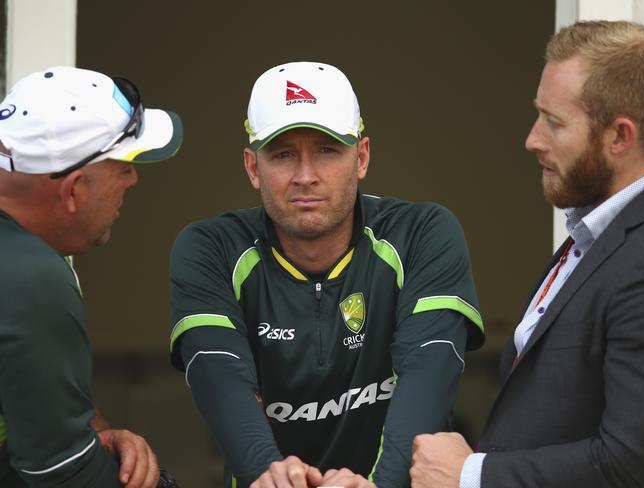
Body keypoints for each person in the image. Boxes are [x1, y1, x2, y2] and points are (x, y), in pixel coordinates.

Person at [169, 61, 484, 488]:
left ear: (363, 157)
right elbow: (217, 374)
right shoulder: (211, 248)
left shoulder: (422, 233)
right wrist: (269, 473)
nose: (305, 176)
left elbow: (430, 366)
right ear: (251, 167)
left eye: (327, 150)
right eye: (282, 154)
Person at [410, 20, 644, 488]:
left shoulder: (643, 258)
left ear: (619, 137)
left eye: (554, 122)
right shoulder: (594, 234)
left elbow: (631, 463)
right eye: (538, 114)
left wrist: (471, 475)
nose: (532, 138)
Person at [0, 66, 183, 487]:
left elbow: (35, 401)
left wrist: (96, 432)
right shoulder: (30, 277)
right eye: (123, 167)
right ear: (74, 190)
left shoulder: (28, 245)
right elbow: (60, 474)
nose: (134, 178)